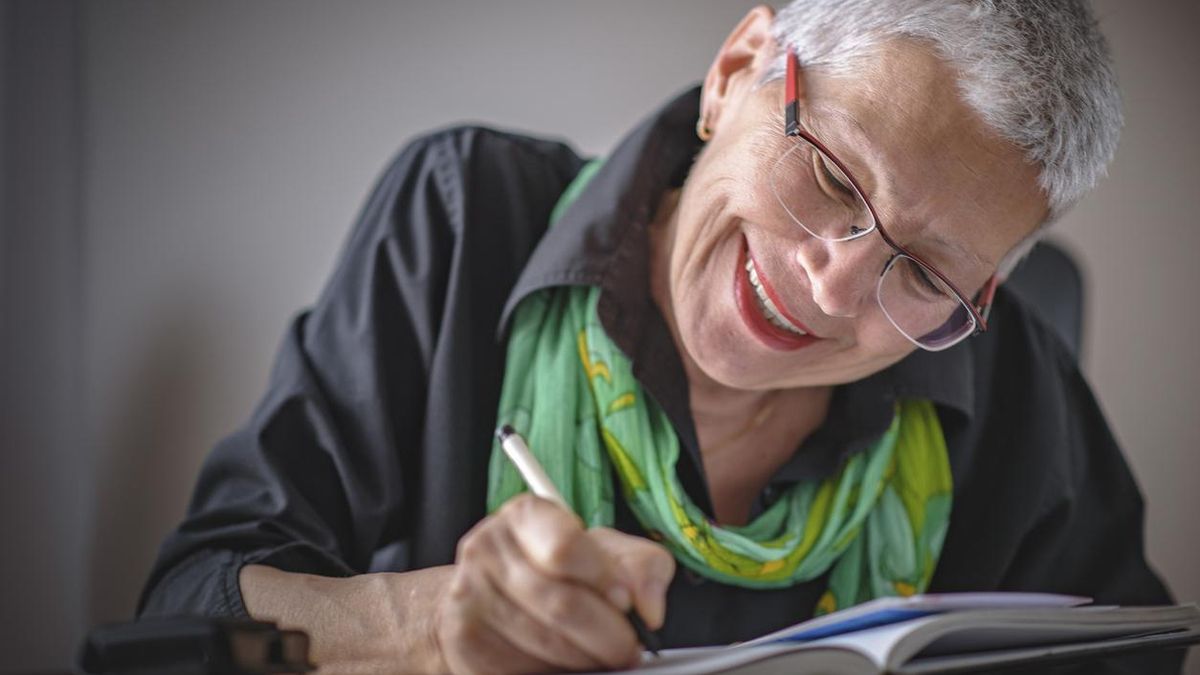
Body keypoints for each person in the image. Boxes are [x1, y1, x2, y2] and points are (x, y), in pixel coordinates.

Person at [139, 2, 1182, 674]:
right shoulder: (464, 221)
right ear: (738, 68)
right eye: (829, 177)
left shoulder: (1005, 365)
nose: (833, 285)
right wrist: (428, 627)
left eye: (923, 270)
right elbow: (184, 609)